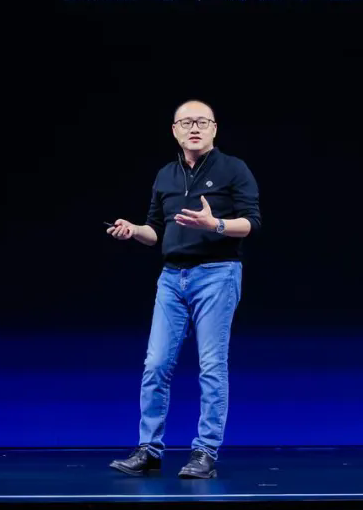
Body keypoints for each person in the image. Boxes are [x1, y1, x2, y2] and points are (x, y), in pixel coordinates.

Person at [106, 100, 261, 480]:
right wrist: (134, 231)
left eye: (202, 122)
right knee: (156, 364)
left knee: (211, 366)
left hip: (217, 274)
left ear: (214, 129)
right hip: (172, 278)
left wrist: (215, 225)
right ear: (174, 130)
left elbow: (251, 223)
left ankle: (205, 452)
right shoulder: (166, 174)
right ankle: (149, 450)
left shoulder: (233, 168)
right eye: (186, 122)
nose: (194, 128)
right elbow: (155, 231)